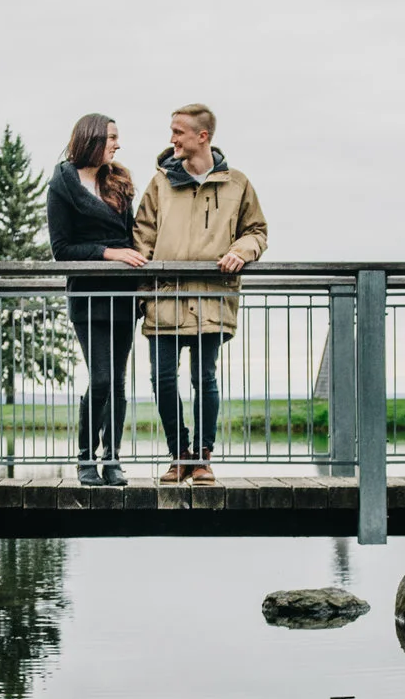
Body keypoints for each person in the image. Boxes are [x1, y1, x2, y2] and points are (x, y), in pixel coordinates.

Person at [131, 105, 268, 484]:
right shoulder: (159, 183)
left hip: (212, 298)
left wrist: (241, 251)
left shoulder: (237, 183)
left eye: (178, 132)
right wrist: (145, 295)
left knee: (204, 378)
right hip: (165, 300)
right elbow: (141, 238)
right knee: (162, 378)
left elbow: (256, 230)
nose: (172, 139)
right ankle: (179, 455)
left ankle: (203, 458)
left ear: (202, 136)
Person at [45, 113, 146, 485]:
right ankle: (86, 457)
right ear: (91, 139)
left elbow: (132, 238)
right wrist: (108, 252)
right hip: (88, 296)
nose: (118, 145)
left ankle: (112, 459)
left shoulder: (118, 180)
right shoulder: (62, 184)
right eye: (112, 138)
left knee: (117, 381)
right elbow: (61, 248)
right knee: (100, 379)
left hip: (123, 296)